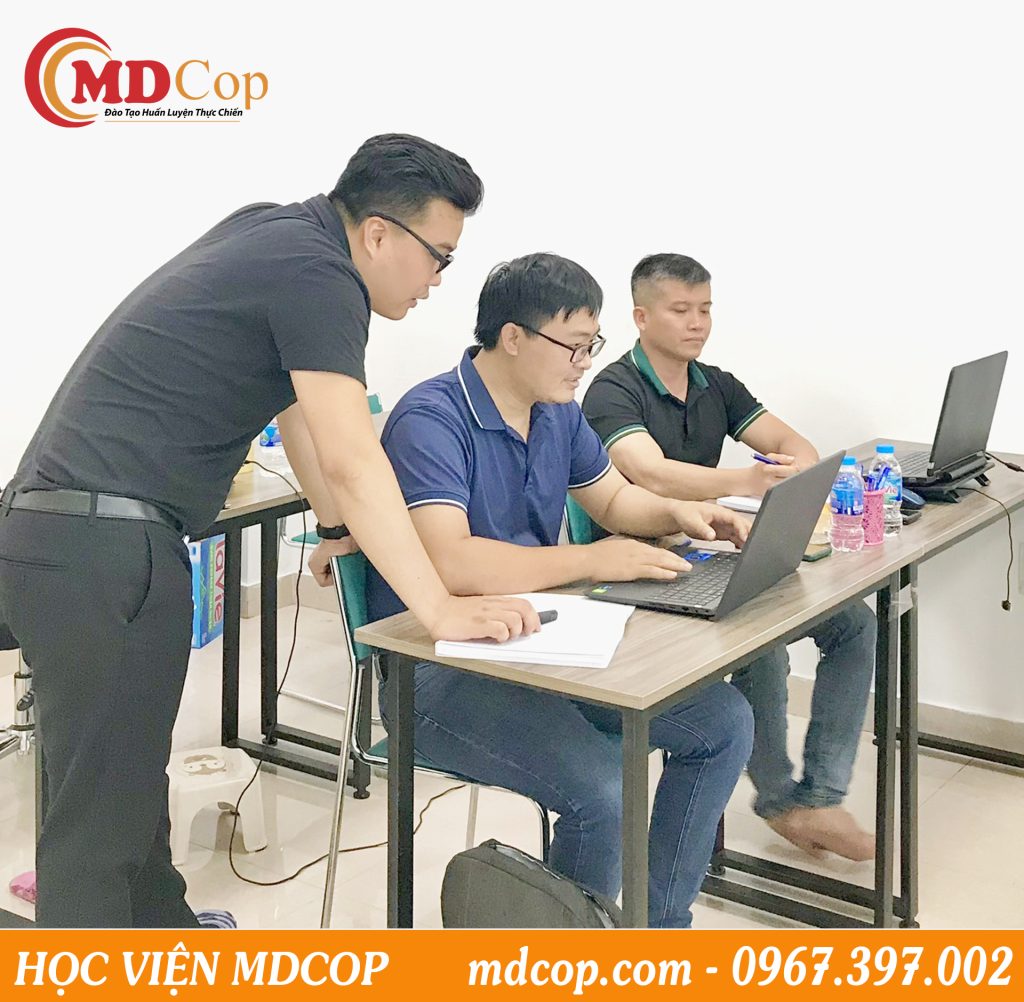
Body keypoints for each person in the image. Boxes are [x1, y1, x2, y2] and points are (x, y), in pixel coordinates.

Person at [0, 134, 538, 928]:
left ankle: (168, 938)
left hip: (59, 536)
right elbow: (353, 455)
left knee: (126, 796)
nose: (436, 281)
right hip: (105, 552)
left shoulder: (273, 231)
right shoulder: (322, 276)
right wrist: (439, 607)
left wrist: (332, 523)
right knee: (97, 838)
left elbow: (295, 410)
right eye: (439, 257)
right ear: (379, 233)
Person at [360, 253, 755, 928]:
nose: (585, 363)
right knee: (603, 790)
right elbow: (452, 564)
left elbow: (614, 499)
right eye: (574, 346)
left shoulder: (556, 411)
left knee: (722, 723)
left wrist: (680, 512)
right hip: (437, 671)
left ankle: (656, 929)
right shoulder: (431, 417)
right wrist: (595, 557)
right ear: (514, 337)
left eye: (592, 345)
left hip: (542, 644)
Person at [583, 253, 876, 861]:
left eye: (706, 309)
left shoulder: (715, 382)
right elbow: (648, 471)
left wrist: (792, 466)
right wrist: (746, 480)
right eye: (681, 310)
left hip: (707, 548)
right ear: (641, 317)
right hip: (638, 565)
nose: (698, 323)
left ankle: (822, 794)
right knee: (760, 644)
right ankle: (782, 802)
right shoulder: (613, 388)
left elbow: (791, 441)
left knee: (854, 624)